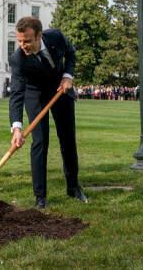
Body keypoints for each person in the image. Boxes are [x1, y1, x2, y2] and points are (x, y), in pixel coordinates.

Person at [9, 16, 87, 209]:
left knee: (68, 139)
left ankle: (73, 187)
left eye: (27, 40)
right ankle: (40, 196)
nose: (23, 45)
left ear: (39, 36)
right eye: (19, 41)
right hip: (35, 95)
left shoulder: (56, 37)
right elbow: (17, 94)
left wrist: (68, 76)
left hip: (61, 90)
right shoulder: (18, 59)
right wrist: (17, 127)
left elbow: (71, 53)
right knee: (40, 142)